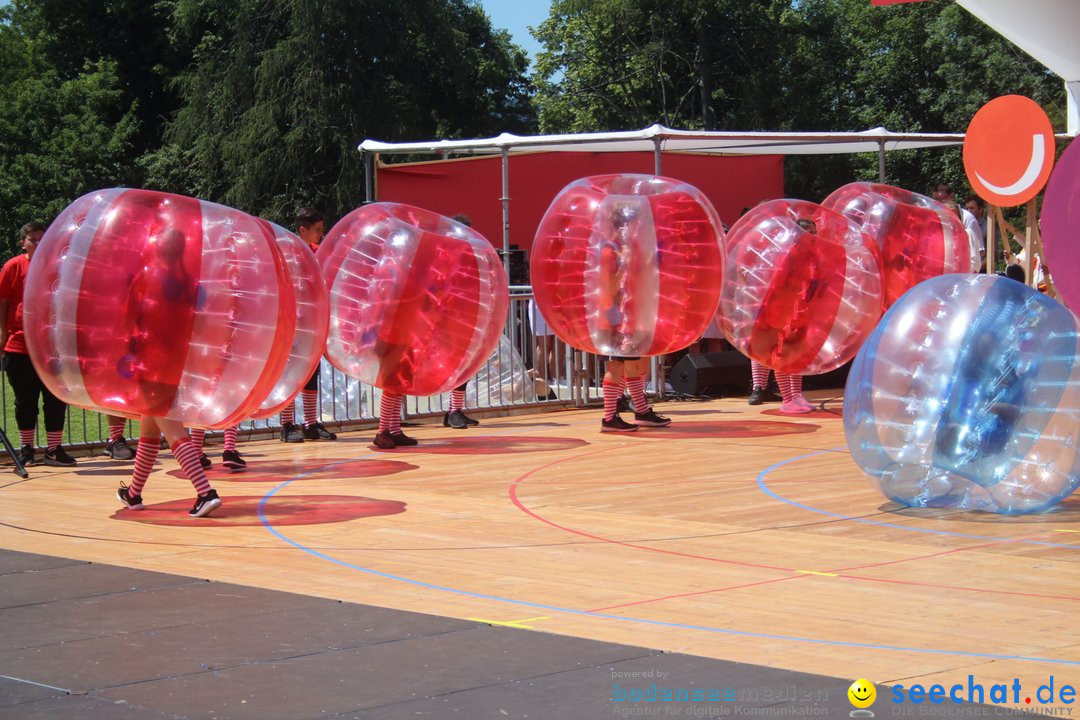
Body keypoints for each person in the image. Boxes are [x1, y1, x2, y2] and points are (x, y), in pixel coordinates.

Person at [113, 225, 220, 517]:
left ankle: (205, 492)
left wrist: (123, 354)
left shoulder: (146, 277)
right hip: (176, 362)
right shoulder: (188, 281)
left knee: (172, 430)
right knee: (150, 428)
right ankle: (133, 494)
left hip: (150, 363)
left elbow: (127, 317)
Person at [0, 222, 77, 467]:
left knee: (56, 398)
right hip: (19, 345)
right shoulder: (13, 266)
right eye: (32, 239)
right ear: (23, 242)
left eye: (42, 238)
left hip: (52, 347)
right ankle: (26, 449)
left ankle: (54, 449)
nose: (38, 243)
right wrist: (2, 336)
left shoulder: (58, 266)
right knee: (25, 400)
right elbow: (2, 303)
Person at [280, 207, 337, 443]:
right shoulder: (288, 251)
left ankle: (310, 424)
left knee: (312, 372)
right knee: (291, 374)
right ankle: (286, 425)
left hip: (312, 321)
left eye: (321, 230)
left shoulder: (318, 252)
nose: (320, 234)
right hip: (293, 321)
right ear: (302, 229)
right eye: (316, 230)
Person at [442, 214, 481, 430]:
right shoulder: (446, 257)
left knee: (465, 365)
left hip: (466, 317)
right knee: (457, 365)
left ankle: (455, 410)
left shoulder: (466, 257)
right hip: (450, 319)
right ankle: (453, 411)